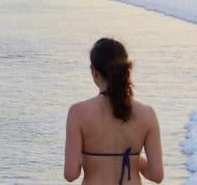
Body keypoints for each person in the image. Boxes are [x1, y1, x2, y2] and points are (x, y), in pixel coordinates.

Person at [64, 38, 163, 184]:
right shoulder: (147, 114)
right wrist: (133, 158)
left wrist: (89, 158)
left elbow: (71, 174)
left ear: (95, 72)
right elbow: (156, 175)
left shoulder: (77, 113)